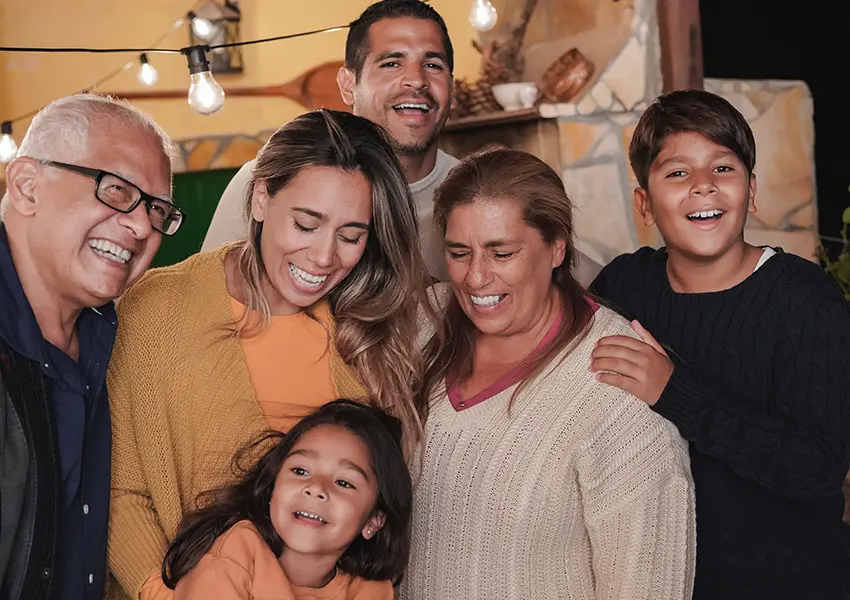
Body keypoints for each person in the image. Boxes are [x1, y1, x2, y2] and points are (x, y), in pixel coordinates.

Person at [106, 109, 430, 600]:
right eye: (306, 224)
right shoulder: (156, 309)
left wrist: (589, 341)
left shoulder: (377, 326)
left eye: (351, 236)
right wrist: (164, 596)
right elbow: (121, 492)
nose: (324, 258)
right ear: (261, 197)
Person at [589, 89, 850, 599]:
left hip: (796, 584)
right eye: (678, 173)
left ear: (751, 190)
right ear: (644, 203)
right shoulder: (625, 286)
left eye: (723, 169)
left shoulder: (805, 302)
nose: (703, 187)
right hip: (671, 583)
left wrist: (675, 392)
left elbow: (818, 472)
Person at [403, 148, 696, 600]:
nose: (476, 277)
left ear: (557, 247)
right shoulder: (423, 323)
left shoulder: (618, 385)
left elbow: (648, 586)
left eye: (502, 253)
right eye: (459, 253)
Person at [201, 0, 603, 285]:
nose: (416, 80)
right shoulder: (273, 182)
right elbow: (205, 300)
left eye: (433, 64)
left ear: (450, 87)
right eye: (391, 62)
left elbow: (590, 281)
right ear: (347, 84)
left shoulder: (477, 194)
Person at [0, 94, 179, 600]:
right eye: (117, 190)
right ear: (27, 186)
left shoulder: (112, 338)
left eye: (157, 209)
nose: (143, 226)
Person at [162, 399, 411, 600]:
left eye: (343, 483)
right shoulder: (237, 553)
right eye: (300, 471)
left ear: (373, 521)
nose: (315, 488)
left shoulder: (370, 591)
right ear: (272, 490)